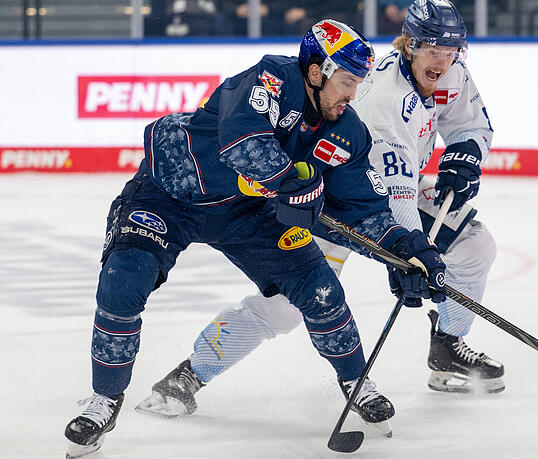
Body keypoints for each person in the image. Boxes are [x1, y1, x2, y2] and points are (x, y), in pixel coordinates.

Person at [64, 19, 446, 459]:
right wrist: (292, 183)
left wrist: (404, 250)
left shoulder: (346, 131)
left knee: (320, 289)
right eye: (345, 82)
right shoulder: (272, 78)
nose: (351, 95)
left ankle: (355, 381)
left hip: (245, 212)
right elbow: (243, 143)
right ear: (317, 71)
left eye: (357, 84)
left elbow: (363, 210)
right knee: (123, 281)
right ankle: (105, 401)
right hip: (170, 194)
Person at [136, 0, 500, 424]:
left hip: (381, 189)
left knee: (475, 245)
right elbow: (388, 203)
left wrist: (466, 154)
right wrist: (406, 256)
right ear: (410, 44)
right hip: (334, 200)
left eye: (452, 50)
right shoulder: (383, 99)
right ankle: (189, 375)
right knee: (288, 307)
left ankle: (448, 347)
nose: (444, 59)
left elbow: (471, 125)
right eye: (434, 50)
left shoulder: (451, 70)